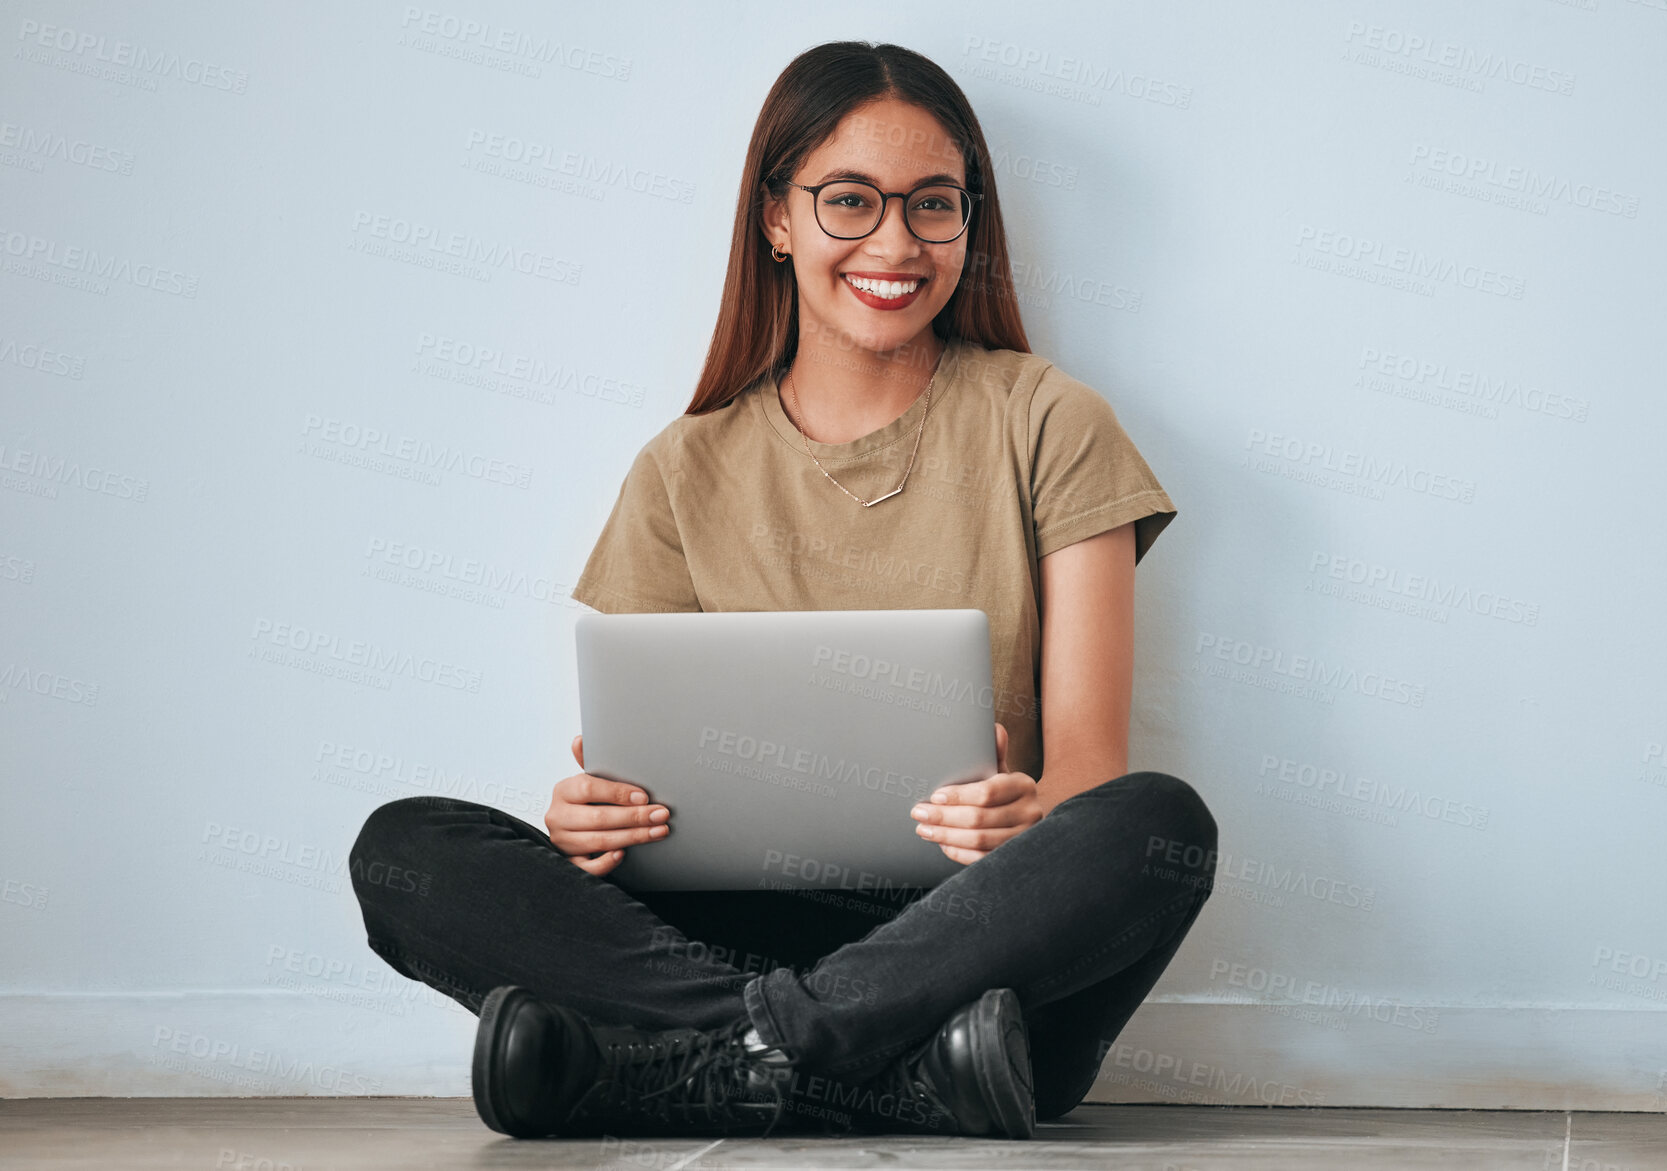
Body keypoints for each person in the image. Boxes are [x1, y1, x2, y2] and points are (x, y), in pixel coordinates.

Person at [348, 39, 1218, 1142]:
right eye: (848, 201)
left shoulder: (1049, 420)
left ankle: (682, 1066)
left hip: (960, 935)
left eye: (931, 205)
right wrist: (594, 823)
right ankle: (863, 1071)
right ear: (775, 218)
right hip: (724, 934)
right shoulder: (681, 465)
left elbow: (1091, 772)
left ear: (968, 219)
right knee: (404, 848)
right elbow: (639, 773)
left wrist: (1025, 813)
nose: (894, 243)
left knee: (1153, 826)